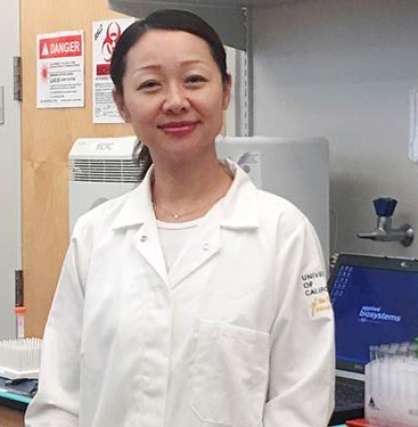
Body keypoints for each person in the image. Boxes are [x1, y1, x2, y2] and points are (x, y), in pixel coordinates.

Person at [25, 9, 335, 427]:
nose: (175, 102)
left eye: (194, 80)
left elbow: (301, 406)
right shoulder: (95, 234)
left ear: (225, 91)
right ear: (122, 104)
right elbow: (59, 400)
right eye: (150, 85)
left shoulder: (283, 233)